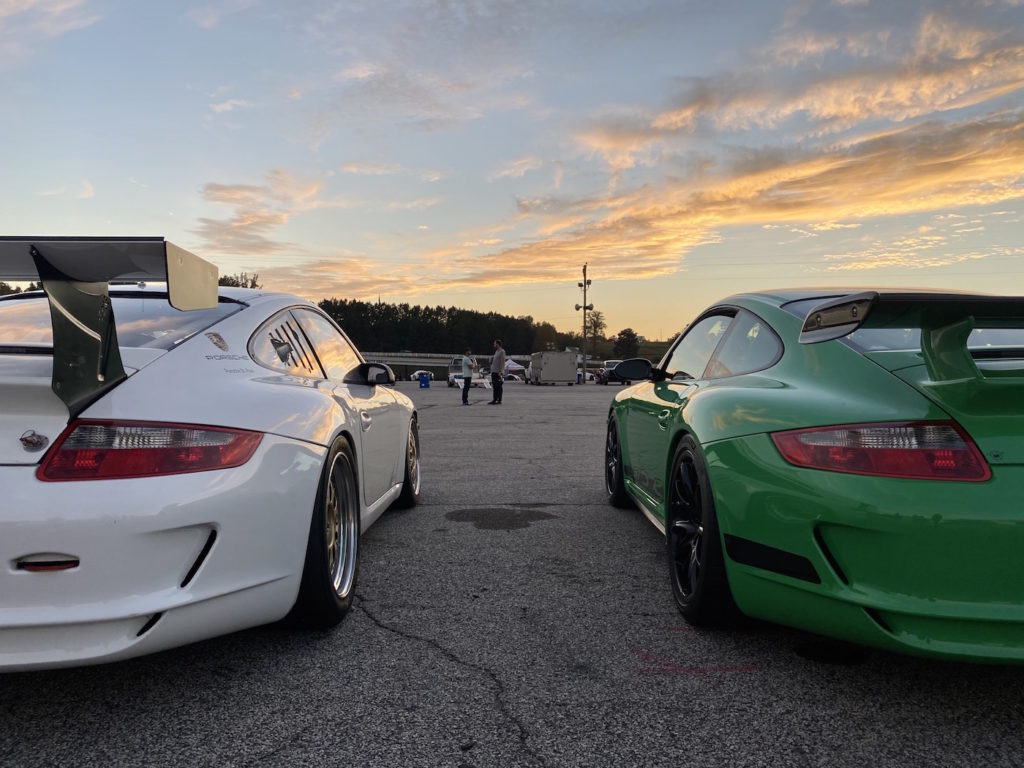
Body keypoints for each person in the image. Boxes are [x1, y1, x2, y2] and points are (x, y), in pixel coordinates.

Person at [489, 339, 506, 405]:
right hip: (493, 371)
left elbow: (502, 361)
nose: (494, 344)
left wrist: (500, 371)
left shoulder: (502, 351)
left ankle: (499, 400)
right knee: (495, 386)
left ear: (498, 344)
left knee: (498, 386)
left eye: (494, 343)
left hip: (497, 372)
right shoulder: (496, 351)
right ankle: (495, 399)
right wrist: (491, 360)